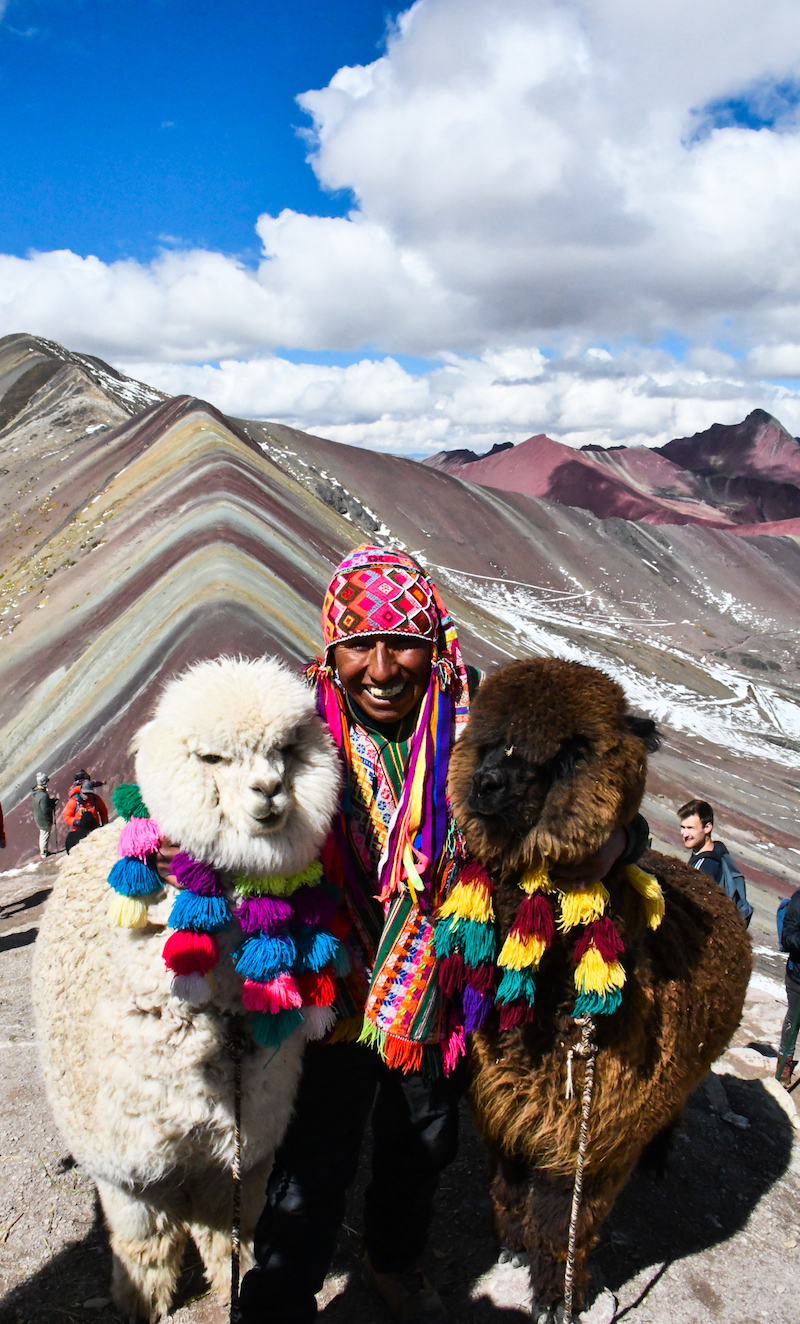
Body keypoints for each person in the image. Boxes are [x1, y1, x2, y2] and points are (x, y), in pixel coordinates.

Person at [161, 545, 651, 1324]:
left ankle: (394, 1262)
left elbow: (588, 796)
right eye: (359, 643)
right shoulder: (293, 732)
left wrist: (619, 844)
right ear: (332, 649)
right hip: (330, 982)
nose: (382, 668)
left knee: (421, 1146)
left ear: (438, 644)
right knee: (312, 1156)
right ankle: (279, 1297)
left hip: (442, 988)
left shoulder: (483, 729)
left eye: (404, 642)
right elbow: (210, 799)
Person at [677, 798, 752, 924]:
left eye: (690, 828)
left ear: (707, 828)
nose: (684, 834)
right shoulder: (719, 850)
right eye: (682, 827)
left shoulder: (704, 867)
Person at [778, 887, 800, 1086]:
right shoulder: (799, 900)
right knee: (794, 1020)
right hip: (798, 977)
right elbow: (788, 936)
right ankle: (784, 1064)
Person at [63, 779, 108, 854]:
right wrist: (77, 822)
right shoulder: (73, 802)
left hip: (94, 830)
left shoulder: (95, 799)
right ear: (81, 792)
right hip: (78, 832)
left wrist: (105, 823)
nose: (87, 796)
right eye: (85, 793)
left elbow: (103, 811)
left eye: (89, 793)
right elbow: (66, 816)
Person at [31, 773, 59, 857]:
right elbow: (45, 809)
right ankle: (44, 853)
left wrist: (49, 802)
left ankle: (44, 851)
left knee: (43, 835)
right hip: (44, 820)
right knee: (45, 836)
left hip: (39, 818)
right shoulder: (43, 796)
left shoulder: (36, 793)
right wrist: (52, 804)